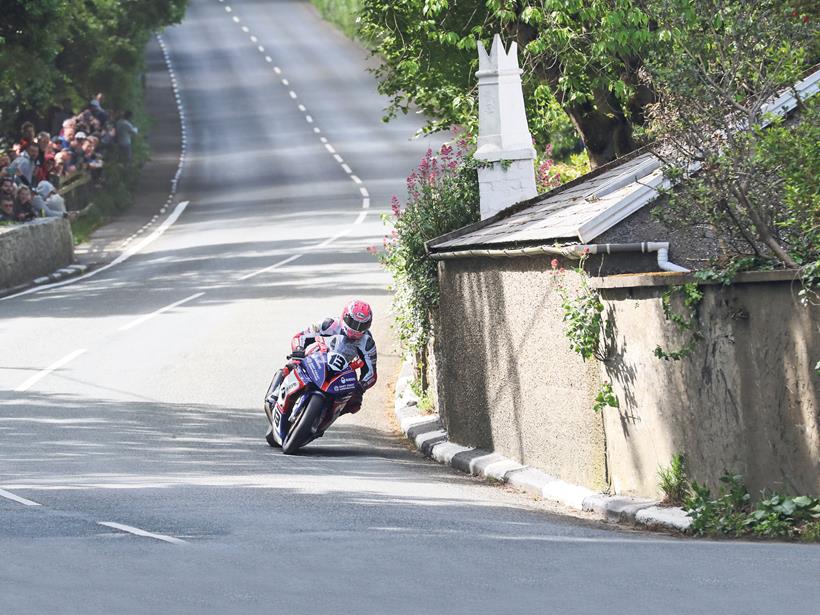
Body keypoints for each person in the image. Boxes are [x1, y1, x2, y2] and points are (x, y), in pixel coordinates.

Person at [289, 299, 377, 415]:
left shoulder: (368, 342)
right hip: (319, 357)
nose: (356, 329)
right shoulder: (329, 324)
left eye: (362, 325)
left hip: (342, 371)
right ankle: (277, 391)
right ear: (344, 316)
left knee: (355, 403)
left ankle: (326, 418)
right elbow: (300, 336)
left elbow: (371, 372)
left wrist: (361, 386)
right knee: (293, 363)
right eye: (353, 323)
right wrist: (299, 350)